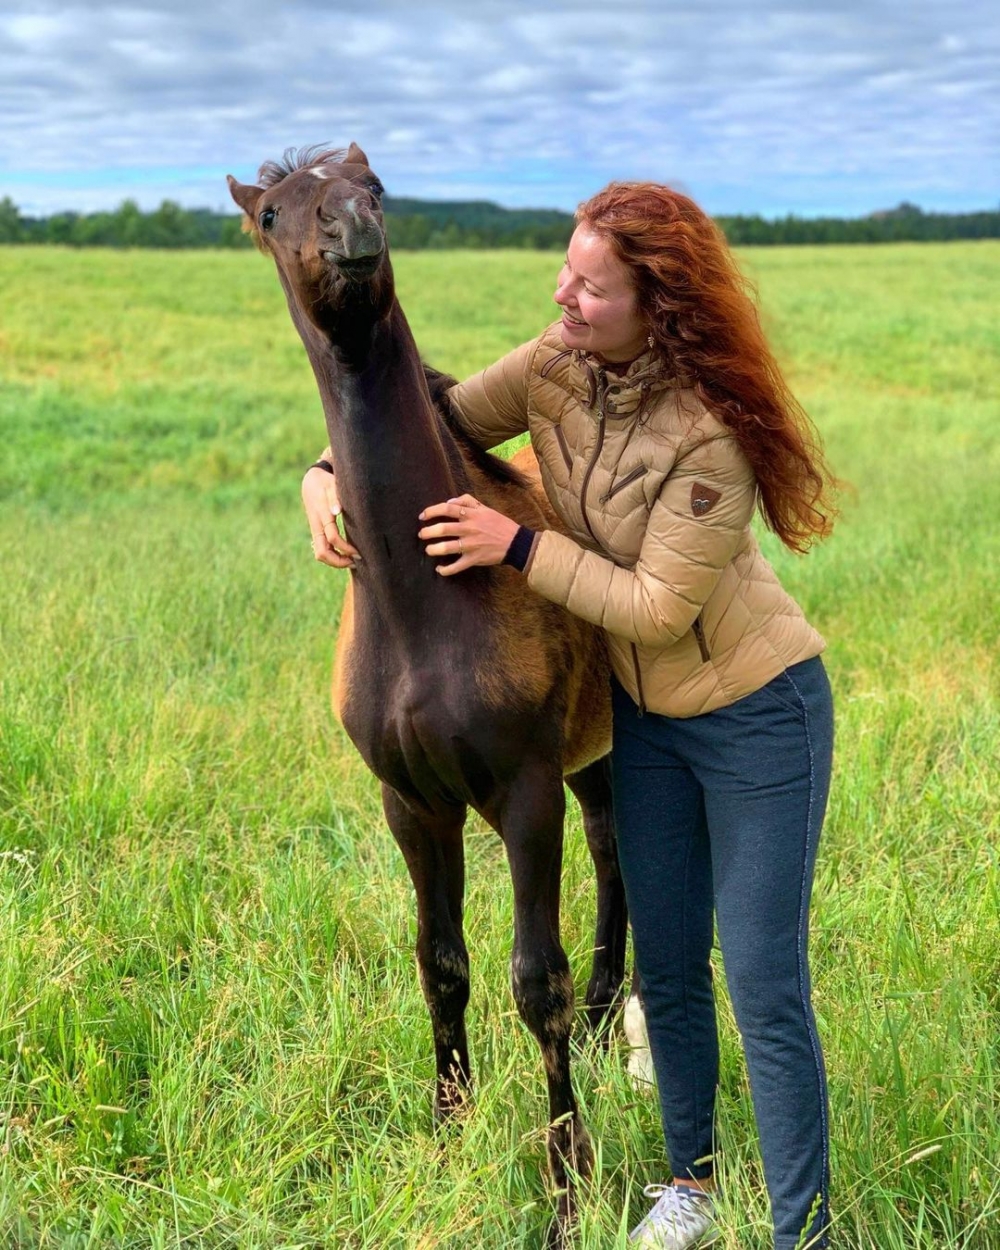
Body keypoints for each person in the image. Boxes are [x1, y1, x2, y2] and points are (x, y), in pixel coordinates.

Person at [302, 181, 836, 1250]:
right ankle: (690, 1182)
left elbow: (653, 606)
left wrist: (516, 547)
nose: (563, 298)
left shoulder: (708, 434)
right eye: (564, 271)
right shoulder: (551, 367)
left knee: (762, 978)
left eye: (590, 287)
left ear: (660, 303)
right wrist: (319, 477)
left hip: (753, 714)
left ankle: (801, 1226)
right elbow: (419, 422)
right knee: (670, 964)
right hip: (640, 718)